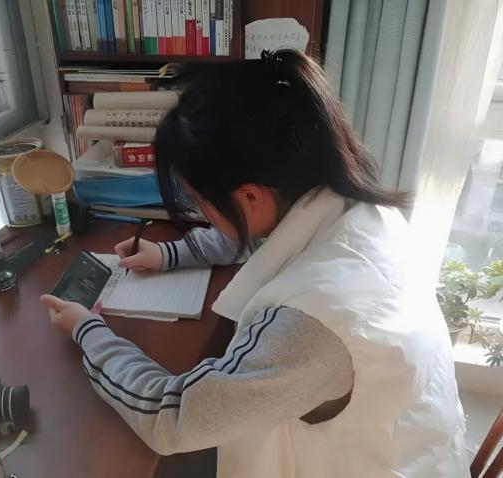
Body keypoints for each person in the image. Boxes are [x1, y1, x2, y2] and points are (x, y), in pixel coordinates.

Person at [41, 49, 469, 477]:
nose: (200, 211)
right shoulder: (357, 211)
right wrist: (169, 253)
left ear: (249, 196)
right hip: (415, 444)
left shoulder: (313, 326)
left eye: (199, 200)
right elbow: (256, 236)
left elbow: (174, 419)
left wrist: (89, 331)